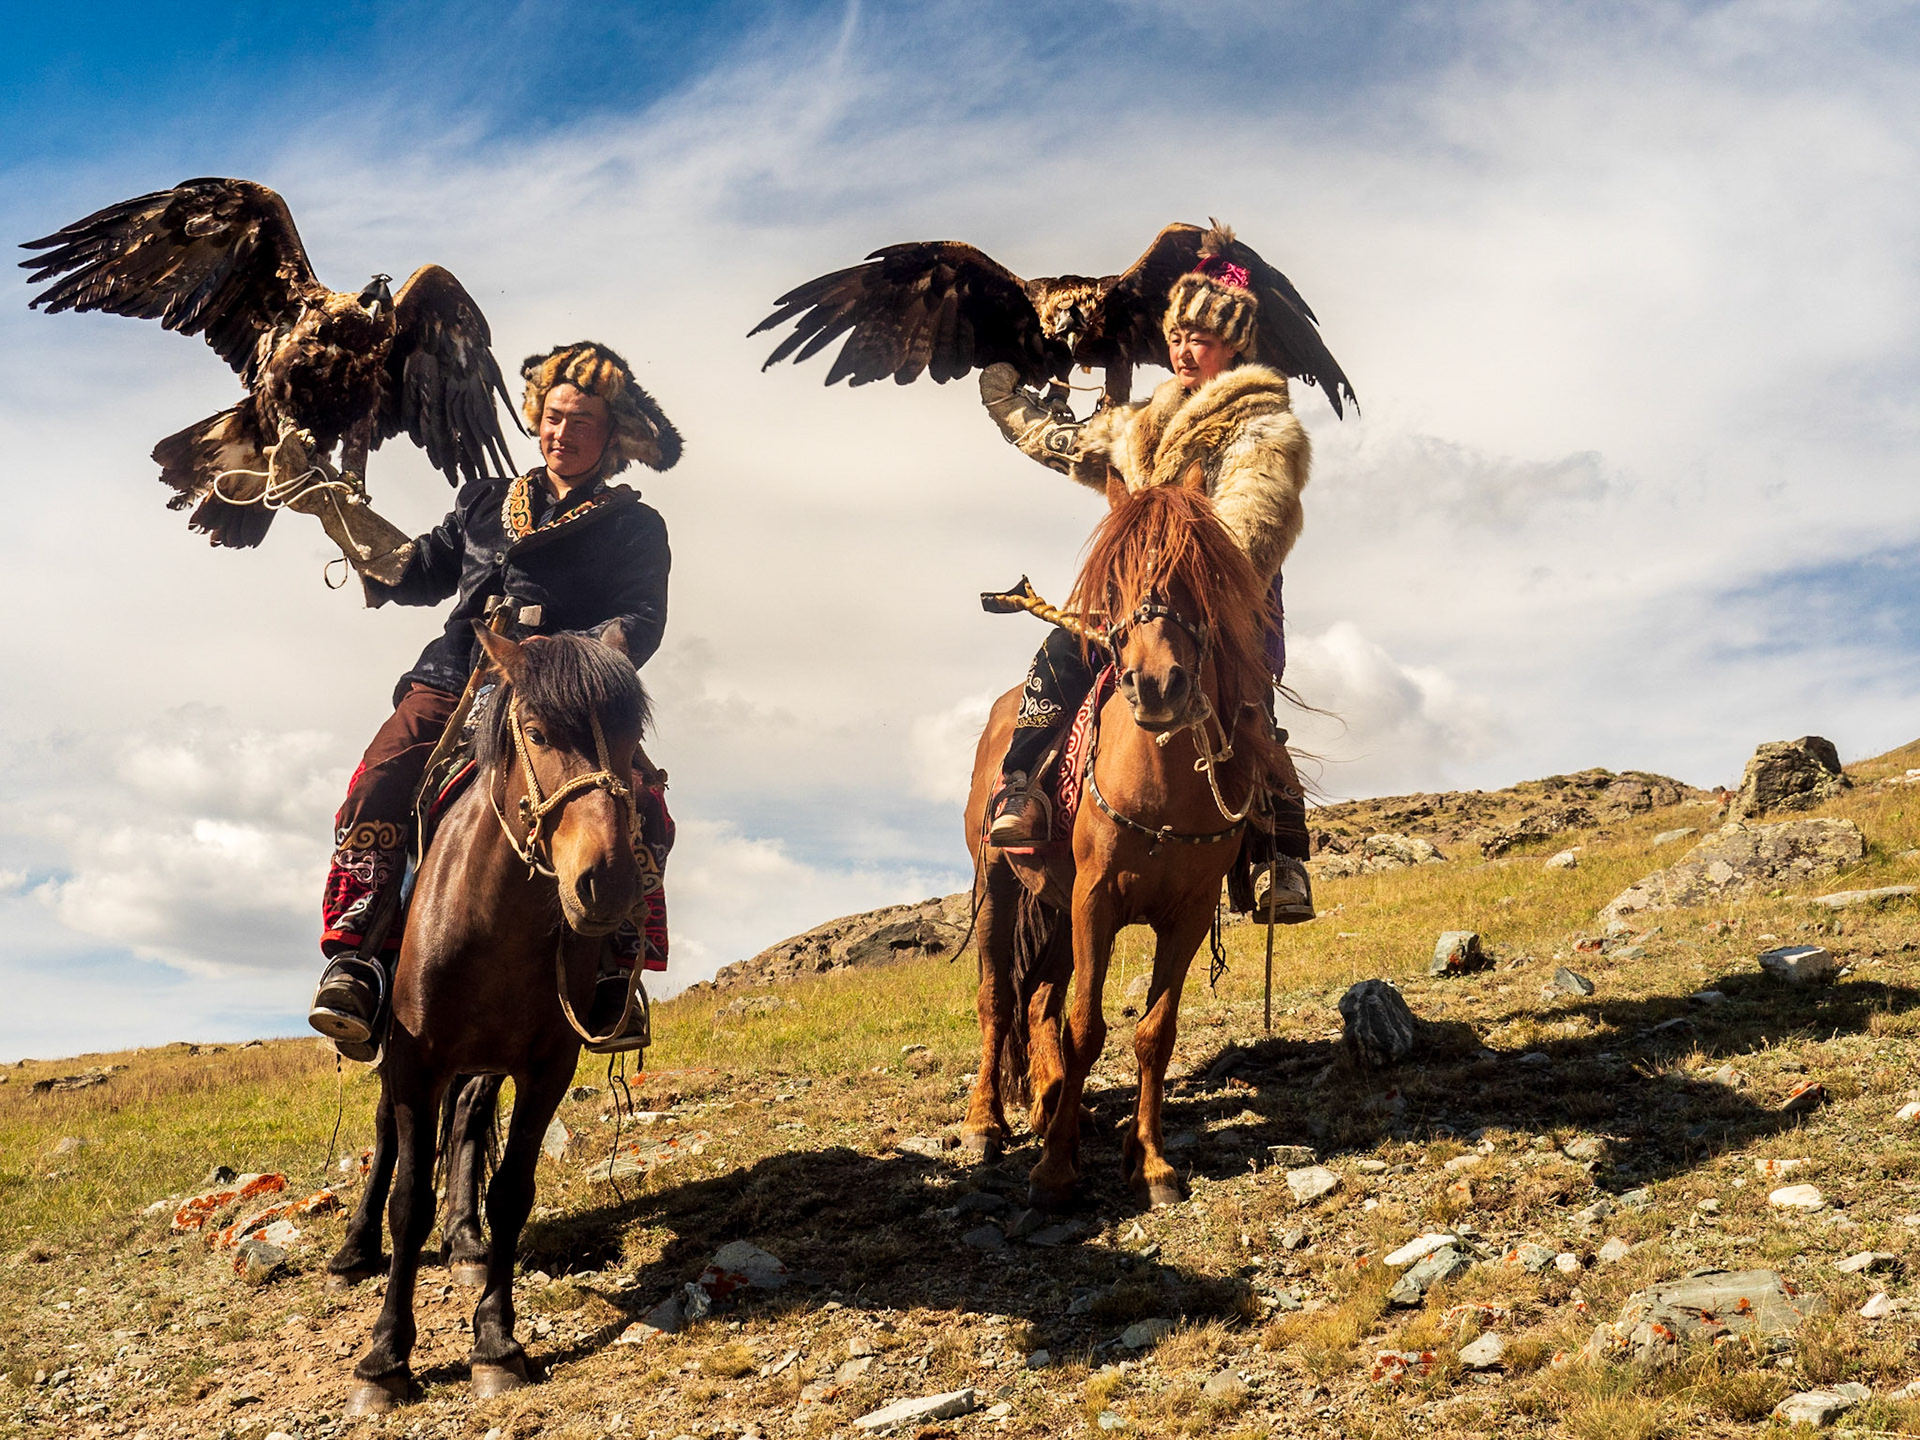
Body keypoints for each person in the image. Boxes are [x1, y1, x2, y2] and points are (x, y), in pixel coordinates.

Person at [305, 341, 681, 1053]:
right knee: (380, 775)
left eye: (583, 421)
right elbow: (416, 573)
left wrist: (572, 661)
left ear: (614, 438)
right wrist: (338, 514)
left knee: (643, 809)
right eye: (553, 415)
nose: (561, 432)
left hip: (568, 694)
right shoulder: (482, 501)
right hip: (457, 676)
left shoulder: (636, 526)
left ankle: (613, 969)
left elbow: (642, 618)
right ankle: (357, 958)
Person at [976, 232, 1316, 920]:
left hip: (1224, 601)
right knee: (1057, 659)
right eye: (1179, 334)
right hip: (1138, 594)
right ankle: (1020, 790)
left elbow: (1253, 528)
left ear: (1234, 348)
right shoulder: (1147, 423)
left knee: (1251, 710)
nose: (1185, 349)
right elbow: (1072, 442)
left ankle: (1282, 855)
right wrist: (1007, 405)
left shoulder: (1263, 427)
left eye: (1202, 337)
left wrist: (1180, 579)